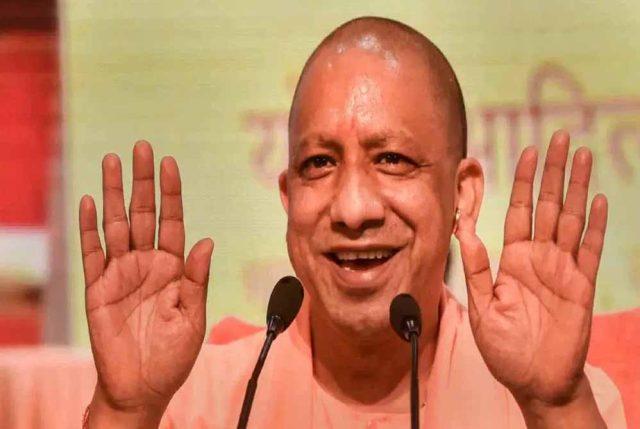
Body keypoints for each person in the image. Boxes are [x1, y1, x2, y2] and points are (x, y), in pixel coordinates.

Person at [78, 17, 626, 428]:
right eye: (320, 164)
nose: (353, 209)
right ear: (289, 197)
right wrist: (125, 411)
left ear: (462, 194)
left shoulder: (546, 397)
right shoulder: (195, 404)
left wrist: (555, 406)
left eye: (392, 160)